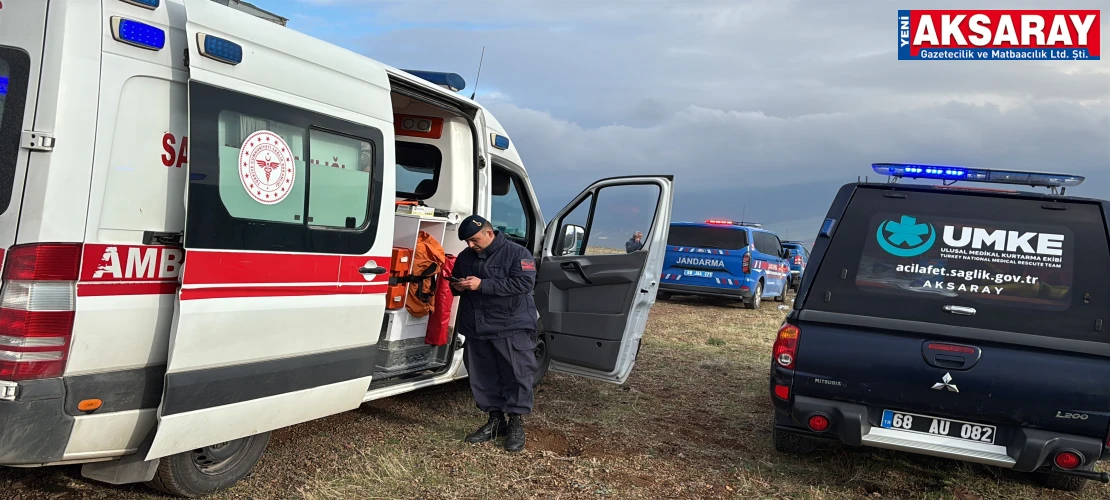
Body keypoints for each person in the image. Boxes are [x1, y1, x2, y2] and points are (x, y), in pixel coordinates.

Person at [450, 215, 540, 452]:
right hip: (477, 327)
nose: (470, 245)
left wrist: (482, 285)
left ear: (489, 233)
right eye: (467, 241)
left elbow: (524, 284)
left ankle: (516, 423)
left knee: (516, 375)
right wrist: (457, 285)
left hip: (510, 326)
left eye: (474, 240)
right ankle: (495, 421)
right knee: (482, 376)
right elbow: (456, 284)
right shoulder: (465, 256)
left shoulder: (517, 253)